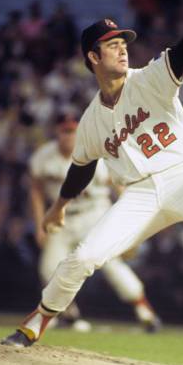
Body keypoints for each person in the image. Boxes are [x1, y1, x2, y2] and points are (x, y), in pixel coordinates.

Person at [2, 14, 183, 347]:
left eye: (123, 44)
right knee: (83, 258)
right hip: (140, 194)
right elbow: (82, 168)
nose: (122, 51)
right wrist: (58, 207)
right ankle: (36, 321)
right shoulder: (91, 120)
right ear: (93, 58)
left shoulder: (149, 79)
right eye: (112, 46)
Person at [29, 111, 161, 332]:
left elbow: (120, 186)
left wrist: (128, 221)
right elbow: (36, 191)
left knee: (111, 264)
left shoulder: (97, 151)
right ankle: (69, 314)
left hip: (95, 215)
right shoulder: (43, 156)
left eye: (72, 131)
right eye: (65, 131)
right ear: (57, 132)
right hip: (62, 219)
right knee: (49, 267)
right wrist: (39, 223)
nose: (69, 136)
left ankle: (144, 309)